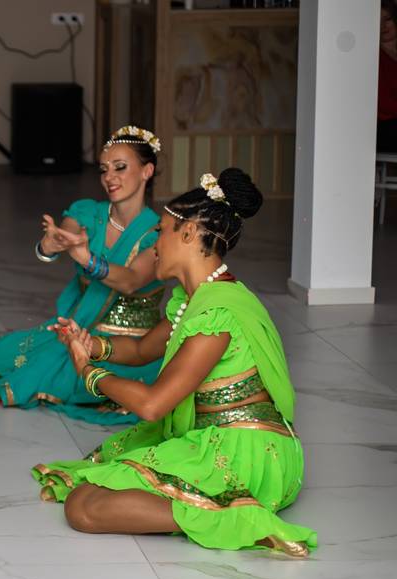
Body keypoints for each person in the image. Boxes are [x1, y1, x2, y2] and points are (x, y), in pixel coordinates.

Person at [32, 168, 317, 557]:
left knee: (84, 507)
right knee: (87, 494)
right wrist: (91, 346)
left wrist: (89, 375)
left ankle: (233, 516)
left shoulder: (217, 313)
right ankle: (212, 507)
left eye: (161, 230)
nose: (154, 243)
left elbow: (153, 406)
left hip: (249, 453)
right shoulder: (195, 298)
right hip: (217, 437)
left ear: (187, 234)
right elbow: (141, 350)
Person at [0, 126, 164, 425]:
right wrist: (49, 245)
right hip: (73, 331)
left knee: (79, 381)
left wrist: (86, 258)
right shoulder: (88, 213)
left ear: (147, 171)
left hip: (128, 348)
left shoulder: (161, 232)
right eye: (103, 169)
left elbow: (130, 280)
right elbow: (63, 236)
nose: (109, 177)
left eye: (120, 167)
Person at [379, 0, 397, 151]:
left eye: (387, 19)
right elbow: (383, 103)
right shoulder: (374, 56)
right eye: (378, 21)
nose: (383, 26)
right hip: (384, 124)